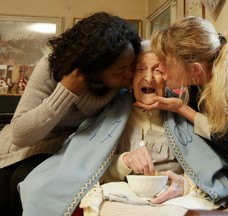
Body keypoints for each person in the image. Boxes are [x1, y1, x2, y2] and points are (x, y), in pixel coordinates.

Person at [19, 40, 228, 216]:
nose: (148, 77)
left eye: (157, 70)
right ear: (130, 77)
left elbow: (215, 172)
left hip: (174, 200)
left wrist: (185, 185)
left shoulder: (184, 110)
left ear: (168, 77)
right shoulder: (110, 111)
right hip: (122, 198)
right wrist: (124, 162)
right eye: (140, 69)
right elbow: (83, 167)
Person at [134, 16, 228, 214]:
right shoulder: (199, 77)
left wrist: (183, 110)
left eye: (164, 63)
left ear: (194, 70)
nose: (160, 69)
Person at [0, 11, 141, 216]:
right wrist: (66, 92)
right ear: (93, 69)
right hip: (27, 144)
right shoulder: (52, 69)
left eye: (132, 65)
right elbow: (20, 135)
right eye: (120, 71)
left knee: (24, 179)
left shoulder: (125, 73)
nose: (130, 74)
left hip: (71, 150)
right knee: (5, 182)